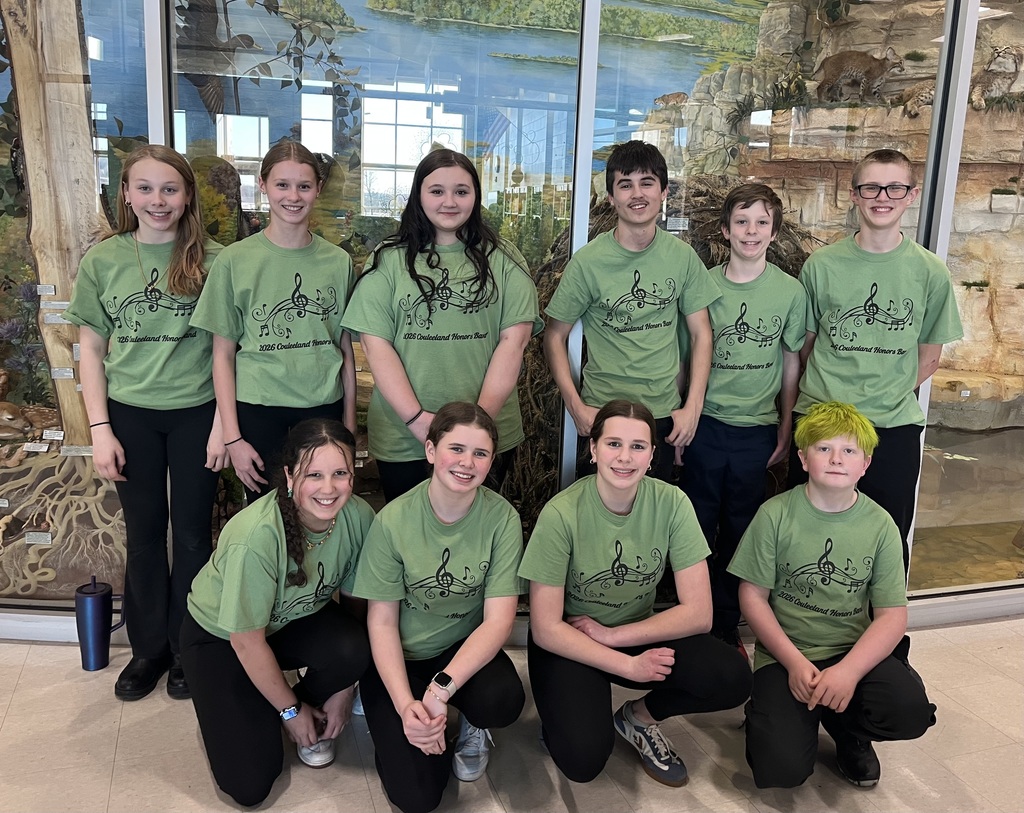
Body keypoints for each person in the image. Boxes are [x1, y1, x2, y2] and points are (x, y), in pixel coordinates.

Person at [520, 400, 752, 788]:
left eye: (638, 446)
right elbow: (545, 628)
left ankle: (638, 719)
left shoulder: (672, 503)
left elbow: (699, 614)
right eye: (613, 444)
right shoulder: (561, 514)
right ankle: (567, 715)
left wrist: (614, 637)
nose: (625, 457)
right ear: (593, 449)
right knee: (582, 758)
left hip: (632, 631)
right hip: (569, 639)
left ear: (651, 455)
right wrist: (627, 666)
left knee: (733, 678)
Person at [66, 144, 224, 702]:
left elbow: (227, 352)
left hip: (197, 413)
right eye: (146, 188)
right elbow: (90, 349)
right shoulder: (104, 260)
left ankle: (187, 647)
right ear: (127, 195)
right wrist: (100, 429)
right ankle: (148, 650)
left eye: (170, 189)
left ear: (187, 196)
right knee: (144, 536)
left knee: (193, 535)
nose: (159, 200)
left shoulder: (214, 260)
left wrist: (222, 425)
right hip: (130, 414)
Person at [729, 401, 936, 789]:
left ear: (865, 464)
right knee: (780, 771)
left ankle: (847, 729)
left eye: (849, 450)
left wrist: (849, 672)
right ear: (803, 459)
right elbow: (752, 596)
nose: (837, 459)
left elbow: (892, 615)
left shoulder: (881, 526)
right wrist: (793, 662)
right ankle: (774, 708)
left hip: (850, 650)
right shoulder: (774, 515)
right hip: (786, 655)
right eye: (824, 448)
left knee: (908, 711)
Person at [179, 419, 374, 808]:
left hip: (291, 622)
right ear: (288, 475)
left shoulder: (359, 517)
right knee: (250, 785)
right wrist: (291, 711)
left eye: (340, 473)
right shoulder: (256, 538)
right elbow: (246, 642)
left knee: (354, 648)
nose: (328, 488)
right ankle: (259, 708)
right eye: (313, 474)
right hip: (221, 637)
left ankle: (282, 701)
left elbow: (357, 609)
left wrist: (343, 689)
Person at [789, 149, 963, 570]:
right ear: (854, 195)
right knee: (802, 536)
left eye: (894, 188)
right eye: (871, 188)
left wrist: (882, 392)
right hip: (820, 421)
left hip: (892, 427)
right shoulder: (821, 265)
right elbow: (807, 346)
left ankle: (882, 617)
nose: (882, 197)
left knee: (887, 539)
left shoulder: (930, 272)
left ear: (912, 195)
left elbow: (929, 357)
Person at [352, 403, 525, 813]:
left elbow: (498, 621)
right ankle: (402, 724)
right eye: (456, 449)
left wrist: (441, 689)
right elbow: (382, 623)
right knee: (418, 798)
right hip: (401, 656)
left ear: (491, 462)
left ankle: (469, 724)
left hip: (458, 650)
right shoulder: (392, 521)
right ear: (431, 451)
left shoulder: (501, 519)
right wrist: (405, 705)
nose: (467, 463)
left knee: (503, 700)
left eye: (480, 453)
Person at [342, 149, 540, 503]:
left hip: (488, 432)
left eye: (461, 191)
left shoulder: (505, 258)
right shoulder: (388, 258)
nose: (449, 201)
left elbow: (514, 342)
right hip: (405, 436)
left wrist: (476, 428)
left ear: (475, 196)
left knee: (478, 528)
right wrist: (417, 419)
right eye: (437, 191)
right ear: (418, 195)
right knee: (408, 530)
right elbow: (375, 344)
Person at [191, 140, 357, 505]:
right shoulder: (234, 261)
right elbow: (222, 355)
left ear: (318, 189)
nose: (293, 196)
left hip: (322, 407)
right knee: (266, 514)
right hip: (258, 410)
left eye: (304, 185)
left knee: (321, 509)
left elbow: (344, 349)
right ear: (263, 185)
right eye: (282, 184)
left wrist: (348, 428)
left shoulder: (337, 262)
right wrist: (232, 436)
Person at [678, 183, 806, 652]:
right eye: (742, 222)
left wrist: (785, 425)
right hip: (706, 425)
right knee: (696, 525)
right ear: (725, 230)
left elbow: (791, 363)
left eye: (761, 223)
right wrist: (683, 419)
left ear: (774, 232)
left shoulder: (790, 292)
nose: (751, 231)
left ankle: (726, 621)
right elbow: (685, 358)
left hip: (756, 430)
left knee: (741, 527)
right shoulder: (703, 286)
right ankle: (691, 617)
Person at [544, 141, 719, 482]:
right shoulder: (588, 263)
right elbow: (554, 336)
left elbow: (702, 333)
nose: (637, 194)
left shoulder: (682, 257)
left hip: (661, 413)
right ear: (611, 197)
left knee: (652, 509)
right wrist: (576, 406)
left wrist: (692, 407)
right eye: (625, 185)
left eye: (647, 183)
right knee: (598, 508)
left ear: (664, 191)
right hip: (603, 412)